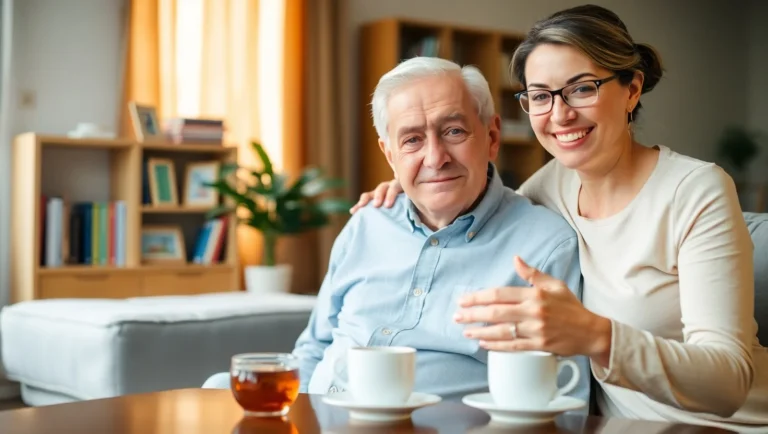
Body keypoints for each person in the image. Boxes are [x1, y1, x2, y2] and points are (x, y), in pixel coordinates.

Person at [351, 4, 768, 432]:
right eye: (540, 96)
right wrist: (415, 183)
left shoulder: (696, 190)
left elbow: (728, 381)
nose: (560, 114)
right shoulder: (549, 188)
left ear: (632, 89)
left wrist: (597, 336)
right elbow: (484, 200)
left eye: (582, 88)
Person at [203, 56, 591, 404]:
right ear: (390, 154)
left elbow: (564, 396)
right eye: (412, 140)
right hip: (319, 415)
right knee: (217, 389)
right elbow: (313, 348)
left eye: (453, 131)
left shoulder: (544, 246)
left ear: (491, 137)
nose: (435, 158)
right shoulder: (366, 225)